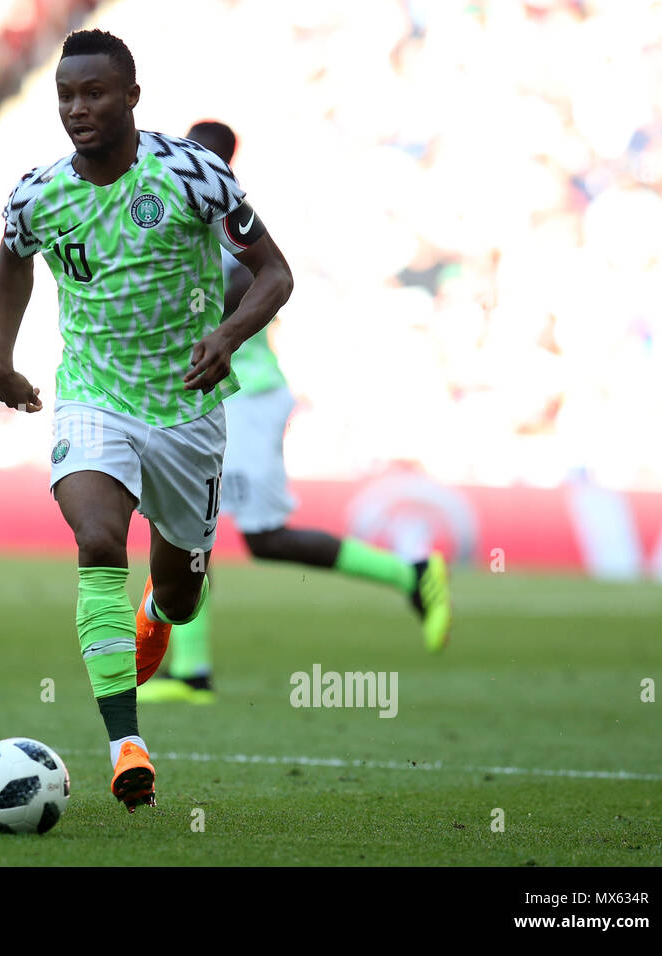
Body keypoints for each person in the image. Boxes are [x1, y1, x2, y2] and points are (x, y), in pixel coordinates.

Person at [0, 31, 293, 811]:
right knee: (96, 540)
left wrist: (226, 336)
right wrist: (2, 360)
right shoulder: (37, 192)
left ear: (130, 95)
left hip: (187, 413)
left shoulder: (192, 173)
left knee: (181, 593)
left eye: (93, 93)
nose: (77, 109)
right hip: (93, 398)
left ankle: (158, 613)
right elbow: (13, 259)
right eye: (65, 96)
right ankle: (126, 742)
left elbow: (274, 273)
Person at [139, 121, 453, 706]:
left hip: (247, 398)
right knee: (190, 528)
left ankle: (410, 574)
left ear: (222, 168)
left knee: (257, 536)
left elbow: (224, 298)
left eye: (203, 161)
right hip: (211, 397)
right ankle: (193, 671)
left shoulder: (231, 235)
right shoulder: (178, 225)